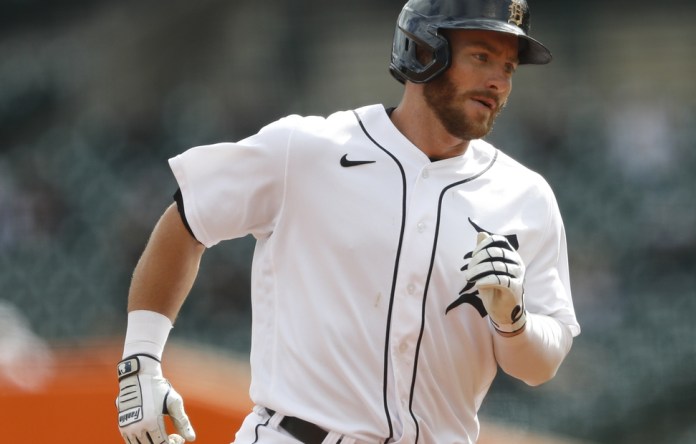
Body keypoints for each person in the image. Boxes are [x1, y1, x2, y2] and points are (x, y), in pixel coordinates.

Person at [115, 0, 581, 443]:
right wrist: (141, 360)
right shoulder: (307, 149)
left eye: (508, 67)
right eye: (481, 56)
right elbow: (187, 220)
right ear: (423, 50)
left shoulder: (525, 197)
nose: (498, 81)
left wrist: (514, 322)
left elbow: (542, 364)